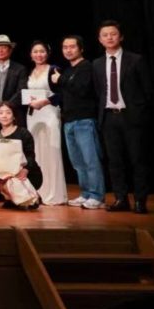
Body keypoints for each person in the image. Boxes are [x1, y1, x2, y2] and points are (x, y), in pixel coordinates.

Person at [93, 20, 154, 213]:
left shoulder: (135, 60)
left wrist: (140, 113)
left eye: (113, 34)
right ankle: (121, 199)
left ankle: (140, 200)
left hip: (132, 117)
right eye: (105, 35)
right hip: (109, 118)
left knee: (137, 160)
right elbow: (99, 91)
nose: (109, 37)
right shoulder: (97, 64)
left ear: (120, 37)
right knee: (115, 162)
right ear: (100, 39)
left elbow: (148, 90)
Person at [54, 35, 105, 209]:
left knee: (91, 160)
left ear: (81, 49)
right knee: (77, 162)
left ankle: (97, 196)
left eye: (72, 47)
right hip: (69, 121)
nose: (68, 50)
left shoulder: (86, 67)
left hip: (84, 120)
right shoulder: (68, 70)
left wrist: (60, 80)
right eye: (65, 47)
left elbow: (82, 89)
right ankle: (85, 193)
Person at [26, 41, 66, 205]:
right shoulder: (30, 71)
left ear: (47, 53)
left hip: (49, 113)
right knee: (36, 152)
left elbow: (62, 93)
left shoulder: (53, 69)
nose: (38, 54)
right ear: (31, 54)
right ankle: (39, 191)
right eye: (35, 51)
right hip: (33, 115)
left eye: (42, 51)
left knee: (51, 151)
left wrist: (45, 102)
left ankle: (54, 194)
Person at [0, 102, 42, 210]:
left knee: (15, 179)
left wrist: (25, 170)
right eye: (1, 113)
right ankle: (15, 199)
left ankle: (30, 198)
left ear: (14, 116)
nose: (4, 116)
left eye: (8, 113)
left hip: (26, 172)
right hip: (7, 173)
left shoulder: (23, 133)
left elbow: (30, 155)